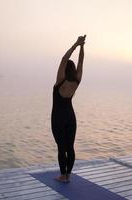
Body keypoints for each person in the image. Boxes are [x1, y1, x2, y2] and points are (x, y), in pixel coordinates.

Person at [51, 35, 86, 182]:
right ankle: (68, 175)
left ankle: (63, 176)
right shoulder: (77, 81)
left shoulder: (61, 80)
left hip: (58, 117)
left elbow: (64, 59)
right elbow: (80, 61)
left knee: (61, 148)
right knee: (70, 147)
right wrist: (82, 46)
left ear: (65, 69)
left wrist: (76, 44)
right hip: (71, 117)